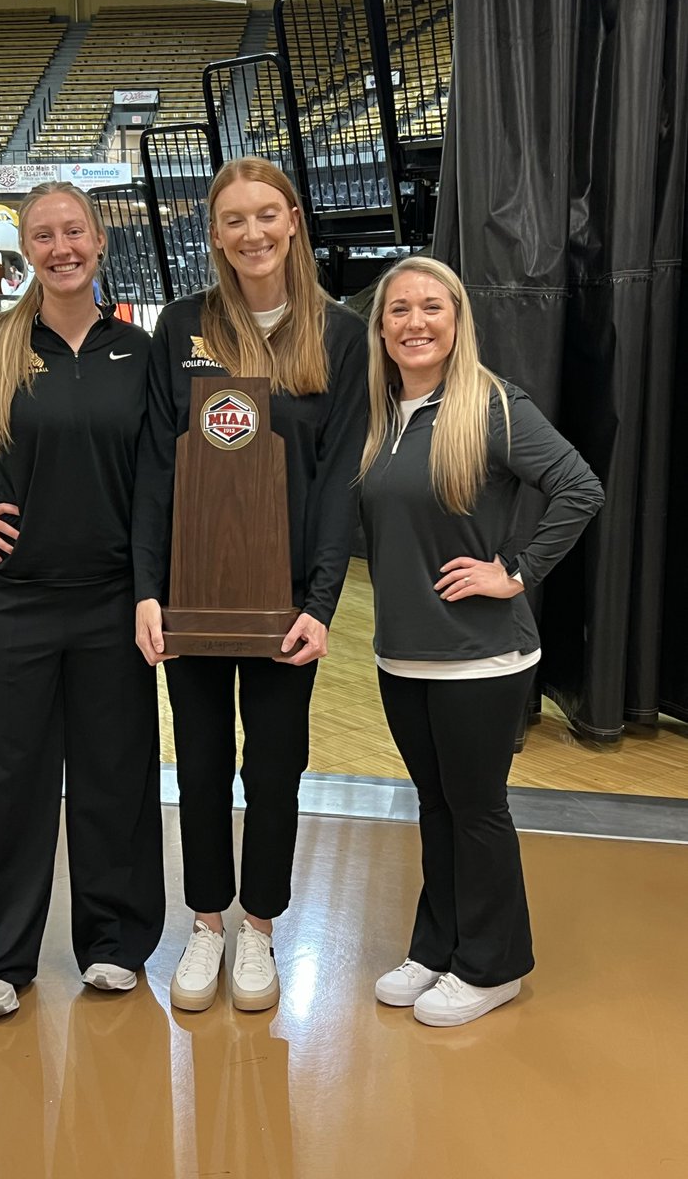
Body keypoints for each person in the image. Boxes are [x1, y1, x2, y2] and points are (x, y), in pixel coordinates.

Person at [0, 180, 165, 1019]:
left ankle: (114, 942)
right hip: (11, 603)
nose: (61, 248)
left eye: (73, 231)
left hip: (114, 602)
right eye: (43, 235)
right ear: (26, 250)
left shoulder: (140, 351)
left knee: (116, 778)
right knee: (7, 780)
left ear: (98, 239)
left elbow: (165, 475)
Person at [132, 157, 368, 1013]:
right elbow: (158, 461)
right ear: (216, 233)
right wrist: (147, 588)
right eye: (234, 219)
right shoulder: (182, 324)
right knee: (198, 766)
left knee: (276, 769)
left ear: (294, 220)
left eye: (267, 214)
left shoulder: (339, 333)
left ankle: (259, 929)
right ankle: (203, 923)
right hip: (193, 598)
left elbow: (342, 477)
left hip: (284, 608)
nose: (253, 233)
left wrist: (321, 603)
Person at [359, 256, 604, 1027]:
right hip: (402, 653)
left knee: (476, 809)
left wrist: (517, 572)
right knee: (436, 807)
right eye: (399, 309)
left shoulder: (492, 405)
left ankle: (493, 965)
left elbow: (579, 486)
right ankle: (438, 946)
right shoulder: (377, 414)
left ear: (458, 321)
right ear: (381, 326)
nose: (415, 322)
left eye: (433, 306)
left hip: (482, 656)